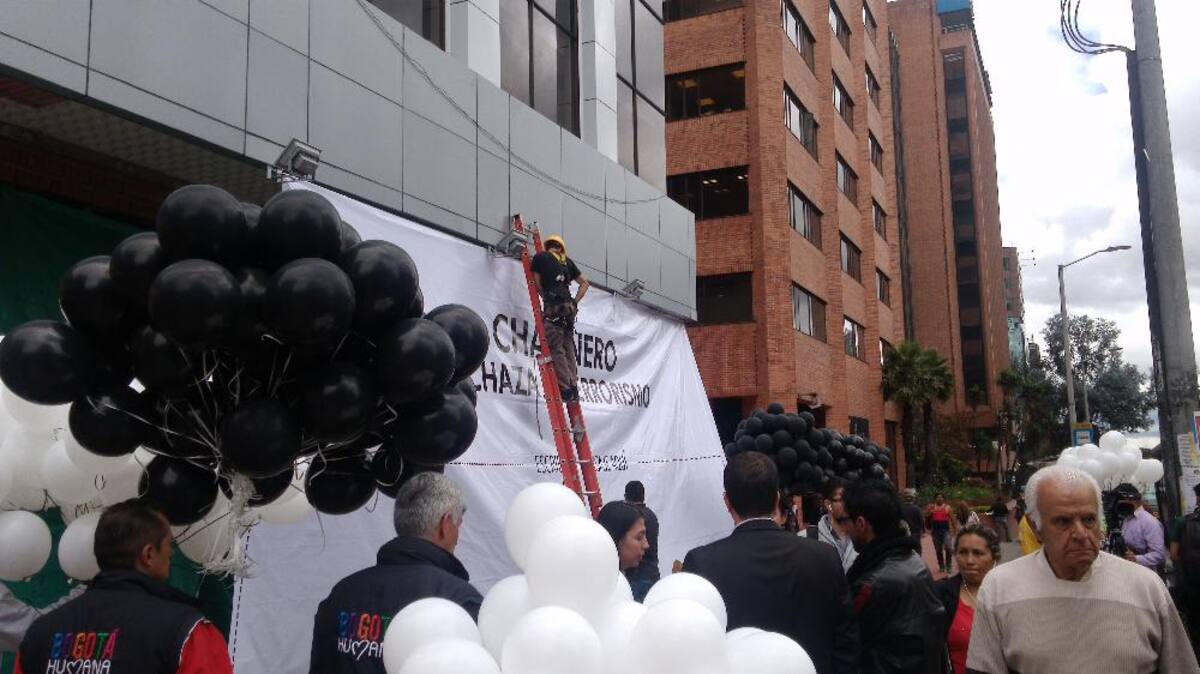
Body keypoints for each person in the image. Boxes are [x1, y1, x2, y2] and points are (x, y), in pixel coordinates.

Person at [966, 465, 1200, 673]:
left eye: (1089, 520)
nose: (1080, 533)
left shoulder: (1147, 587)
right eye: (1063, 521)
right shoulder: (1000, 587)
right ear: (1035, 527)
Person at [683, 452, 859, 674]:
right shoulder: (824, 557)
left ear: (727, 501)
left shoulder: (702, 563)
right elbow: (846, 644)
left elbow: (693, 648)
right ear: (777, 499)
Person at [15, 500, 233, 674]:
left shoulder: (40, 634)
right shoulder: (187, 632)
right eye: (168, 544)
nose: (171, 553)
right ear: (148, 554)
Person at [309, 473, 482, 673]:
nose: (458, 537)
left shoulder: (341, 595)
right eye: (458, 525)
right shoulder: (461, 602)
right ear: (446, 524)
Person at [843, 480, 946, 673]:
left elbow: (849, 640)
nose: (845, 530)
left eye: (845, 520)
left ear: (861, 523)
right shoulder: (915, 560)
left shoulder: (872, 583)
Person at [933, 525, 1000, 674]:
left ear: (994, 557)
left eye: (978, 553)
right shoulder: (940, 595)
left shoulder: (1012, 593)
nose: (969, 560)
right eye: (963, 552)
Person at [530, 235, 589, 405]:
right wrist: (575, 302)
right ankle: (574, 385)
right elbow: (585, 283)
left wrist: (546, 297)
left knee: (556, 348)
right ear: (561, 248)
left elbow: (537, 284)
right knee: (568, 347)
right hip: (569, 309)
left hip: (555, 308)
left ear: (547, 246)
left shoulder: (540, 258)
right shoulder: (567, 262)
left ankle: (566, 389)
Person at [597, 501, 652, 600]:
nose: (646, 545)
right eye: (639, 538)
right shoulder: (594, 588)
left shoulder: (643, 590)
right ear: (616, 537)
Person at [1171, 483, 1200, 649]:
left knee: (1195, 623)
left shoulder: (1182, 522)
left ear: (1197, 498)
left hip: (1193, 584)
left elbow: (1174, 554)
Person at [1113, 482, 1167, 572]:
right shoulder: (1126, 519)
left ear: (1130, 499)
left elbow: (1159, 555)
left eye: (1119, 501)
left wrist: (1136, 558)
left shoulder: (1149, 522)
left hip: (1146, 573)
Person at [622, 480, 660, 590]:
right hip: (652, 572)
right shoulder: (651, 515)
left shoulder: (630, 516)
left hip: (636, 575)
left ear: (626, 496)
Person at [818, 478, 859, 572]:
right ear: (828, 504)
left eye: (851, 499)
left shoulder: (862, 536)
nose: (849, 504)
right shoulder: (807, 536)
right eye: (843, 500)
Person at [927, 493, 954, 573]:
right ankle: (941, 565)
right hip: (935, 532)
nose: (939, 499)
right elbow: (926, 516)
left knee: (948, 547)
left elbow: (952, 519)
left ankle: (949, 565)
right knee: (938, 550)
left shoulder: (948, 508)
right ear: (935, 499)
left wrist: (955, 529)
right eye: (938, 497)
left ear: (944, 499)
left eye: (941, 497)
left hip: (946, 531)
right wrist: (930, 512)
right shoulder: (932, 507)